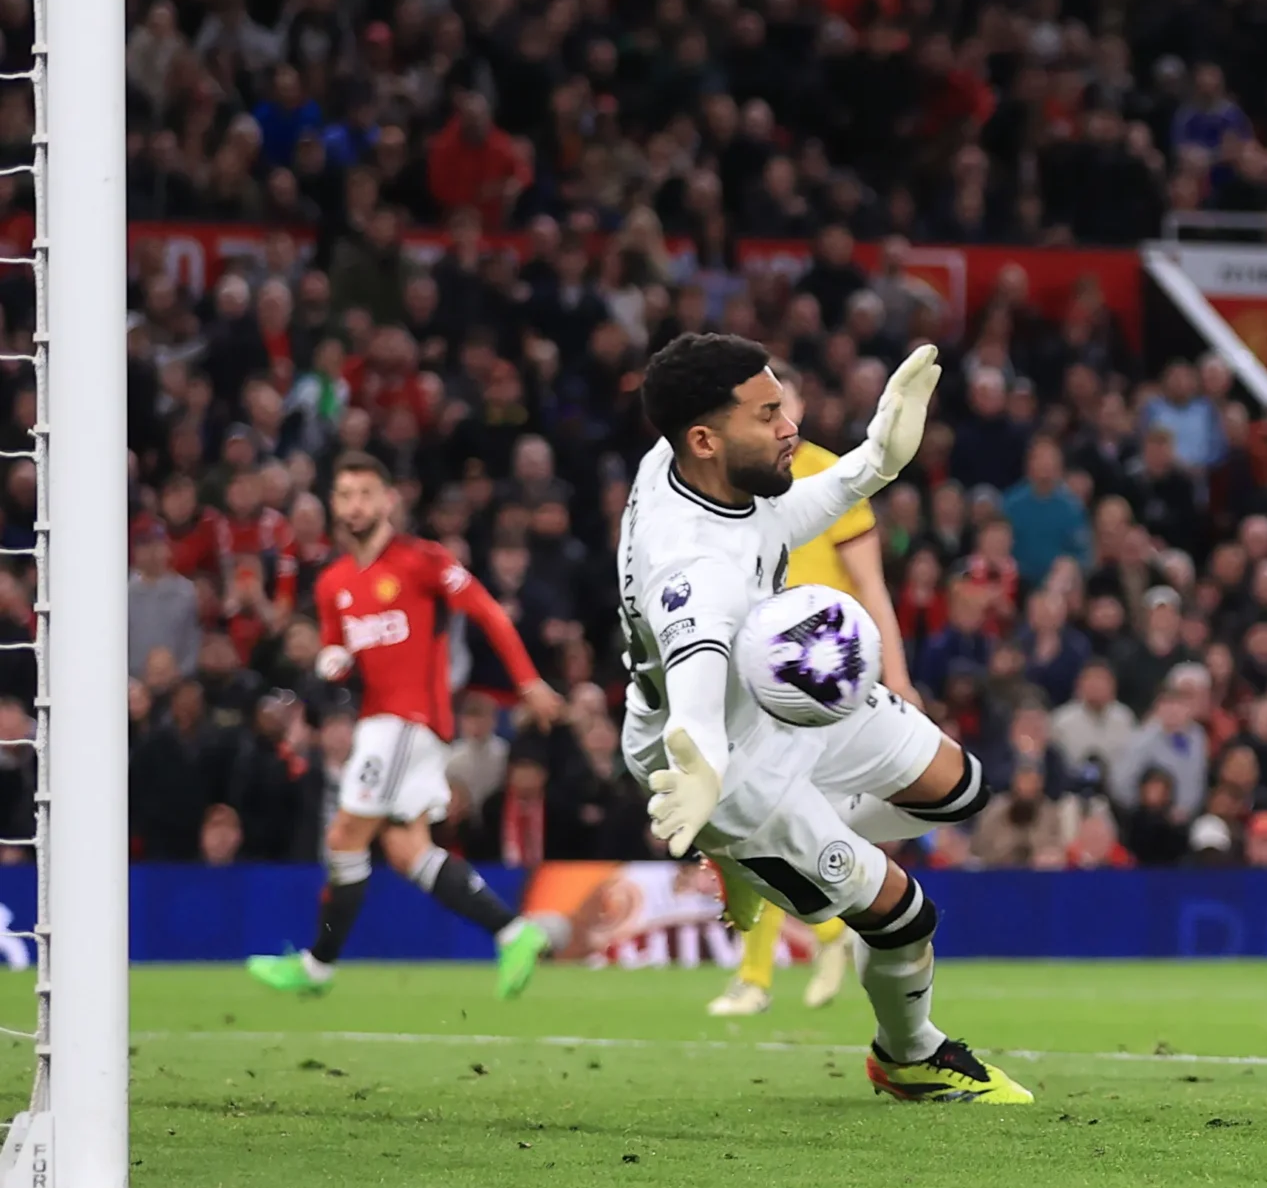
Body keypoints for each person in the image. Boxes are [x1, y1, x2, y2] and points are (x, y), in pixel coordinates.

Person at [619, 332, 1030, 1104]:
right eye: (768, 413)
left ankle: (758, 861)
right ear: (706, 439)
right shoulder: (692, 571)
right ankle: (908, 1056)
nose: (790, 428)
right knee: (905, 914)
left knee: (958, 789)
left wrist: (878, 458)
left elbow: (779, 522)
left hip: (776, 687)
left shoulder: (681, 461)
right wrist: (706, 778)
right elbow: (696, 688)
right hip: (726, 763)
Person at [246, 454, 567, 996]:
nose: (355, 505)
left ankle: (317, 967)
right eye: (345, 495)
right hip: (382, 723)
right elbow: (334, 645)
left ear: (389, 500)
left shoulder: (421, 561)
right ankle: (514, 932)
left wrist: (528, 683)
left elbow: (487, 611)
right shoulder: (334, 583)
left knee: (345, 836)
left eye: (366, 493)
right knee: (406, 851)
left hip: (408, 721)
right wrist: (331, 660)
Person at [706, 363, 917, 1020]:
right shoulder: (736, 482)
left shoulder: (832, 473)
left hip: (821, 672)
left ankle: (769, 969)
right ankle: (816, 942)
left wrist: (899, 675)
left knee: (761, 816)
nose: (774, 416)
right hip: (749, 672)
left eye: (781, 403)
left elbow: (872, 584)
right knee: (751, 820)